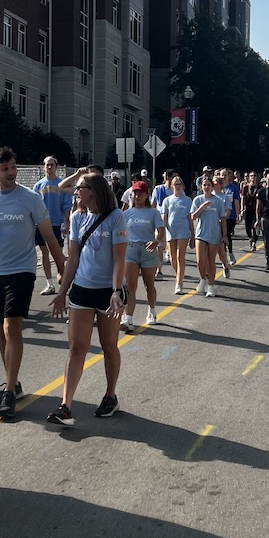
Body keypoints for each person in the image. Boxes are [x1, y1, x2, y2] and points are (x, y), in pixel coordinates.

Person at [0, 147, 66, 419]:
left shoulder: (31, 199)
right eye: (5, 169)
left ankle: (9, 391)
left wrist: (62, 270)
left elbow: (49, 236)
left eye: (14, 167)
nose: (11, 173)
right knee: (1, 331)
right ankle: (14, 380)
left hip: (22, 271)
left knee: (12, 327)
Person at [46, 173, 128, 426]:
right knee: (77, 347)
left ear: (93, 190)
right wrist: (62, 292)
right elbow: (73, 258)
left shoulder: (116, 217)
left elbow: (118, 259)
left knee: (108, 345)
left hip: (107, 290)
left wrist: (116, 291)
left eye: (79, 188)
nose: (75, 191)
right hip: (82, 288)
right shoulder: (77, 217)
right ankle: (66, 406)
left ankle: (110, 395)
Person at [120, 181, 164, 331]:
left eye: (140, 193)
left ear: (146, 195)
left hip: (148, 250)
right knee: (130, 285)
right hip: (131, 250)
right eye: (135, 193)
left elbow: (161, 230)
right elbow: (120, 232)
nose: (137, 196)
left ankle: (152, 310)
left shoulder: (153, 212)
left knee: (149, 284)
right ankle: (129, 319)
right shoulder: (126, 214)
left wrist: (156, 241)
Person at [33, 156, 73, 296]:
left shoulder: (61, 184)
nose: (49, 167)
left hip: (56, 223)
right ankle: (49, 284)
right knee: (44, 253)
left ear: (56, 167)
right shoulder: (38, 185)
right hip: (42, 224)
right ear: (43, 167)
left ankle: (63, 281)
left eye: (52, 165)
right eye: (47, 165)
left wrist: (67, 223)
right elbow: (34, 206)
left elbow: (67, 205)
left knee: (58, 254)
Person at [190, 176, 227, 297]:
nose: (206, 187)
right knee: (200, 260)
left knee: (211, 261)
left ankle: (211, 285)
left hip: (214, 234)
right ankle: (202, 279)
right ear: (201, 187)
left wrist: (224, 235)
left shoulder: (218, 201)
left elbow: (223, 219)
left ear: (212, 187)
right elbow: (193, 217)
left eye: (208, 185)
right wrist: (202, 207)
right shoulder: (197, 200)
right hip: (201, 234)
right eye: (204, 185)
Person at [161, 176, 194, 294]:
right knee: (172, 258)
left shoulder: (187, 200)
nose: (178, 186)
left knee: (180, 257)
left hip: (183, 232)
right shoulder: (167, 200)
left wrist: (193, 235)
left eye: (180, 184)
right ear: (172, 186)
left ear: (182, 186)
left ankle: (179, 283)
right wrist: (162, 234)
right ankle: (179, 275)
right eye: (176, 184)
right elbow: (164, 218)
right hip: (171, 232)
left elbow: (190, 219)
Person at [220, 168, 241, 264]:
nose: (223, 177)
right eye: (222, 175)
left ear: (229, 177)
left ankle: (230, 253)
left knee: (227, 234)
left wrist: (238, 214)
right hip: (219, 216)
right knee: (221, 237)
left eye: (225, 175)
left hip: (230, 216)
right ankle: (224, 257)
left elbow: (236, 201)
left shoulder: (233, 188)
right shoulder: (217, 188)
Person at [240, 171, 261, 251]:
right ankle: (250, 237)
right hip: (248, 210)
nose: (253, 177)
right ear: (249, 177)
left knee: (255, 227)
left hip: (257, 210)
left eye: (255, 176)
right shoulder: (245, 187)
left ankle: (253, 243)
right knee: (247, 227)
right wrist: (242, 209)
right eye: (251, 176)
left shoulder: (260, 188)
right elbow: (243, 198)